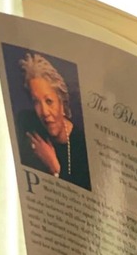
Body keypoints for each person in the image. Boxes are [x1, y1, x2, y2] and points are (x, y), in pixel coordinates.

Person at [17, 52, 91, 190]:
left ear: (62, 103)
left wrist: (54, 166)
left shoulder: (82, 146)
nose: (44, 112)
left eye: (49, 101)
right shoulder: (26, 124)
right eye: (36, 102)